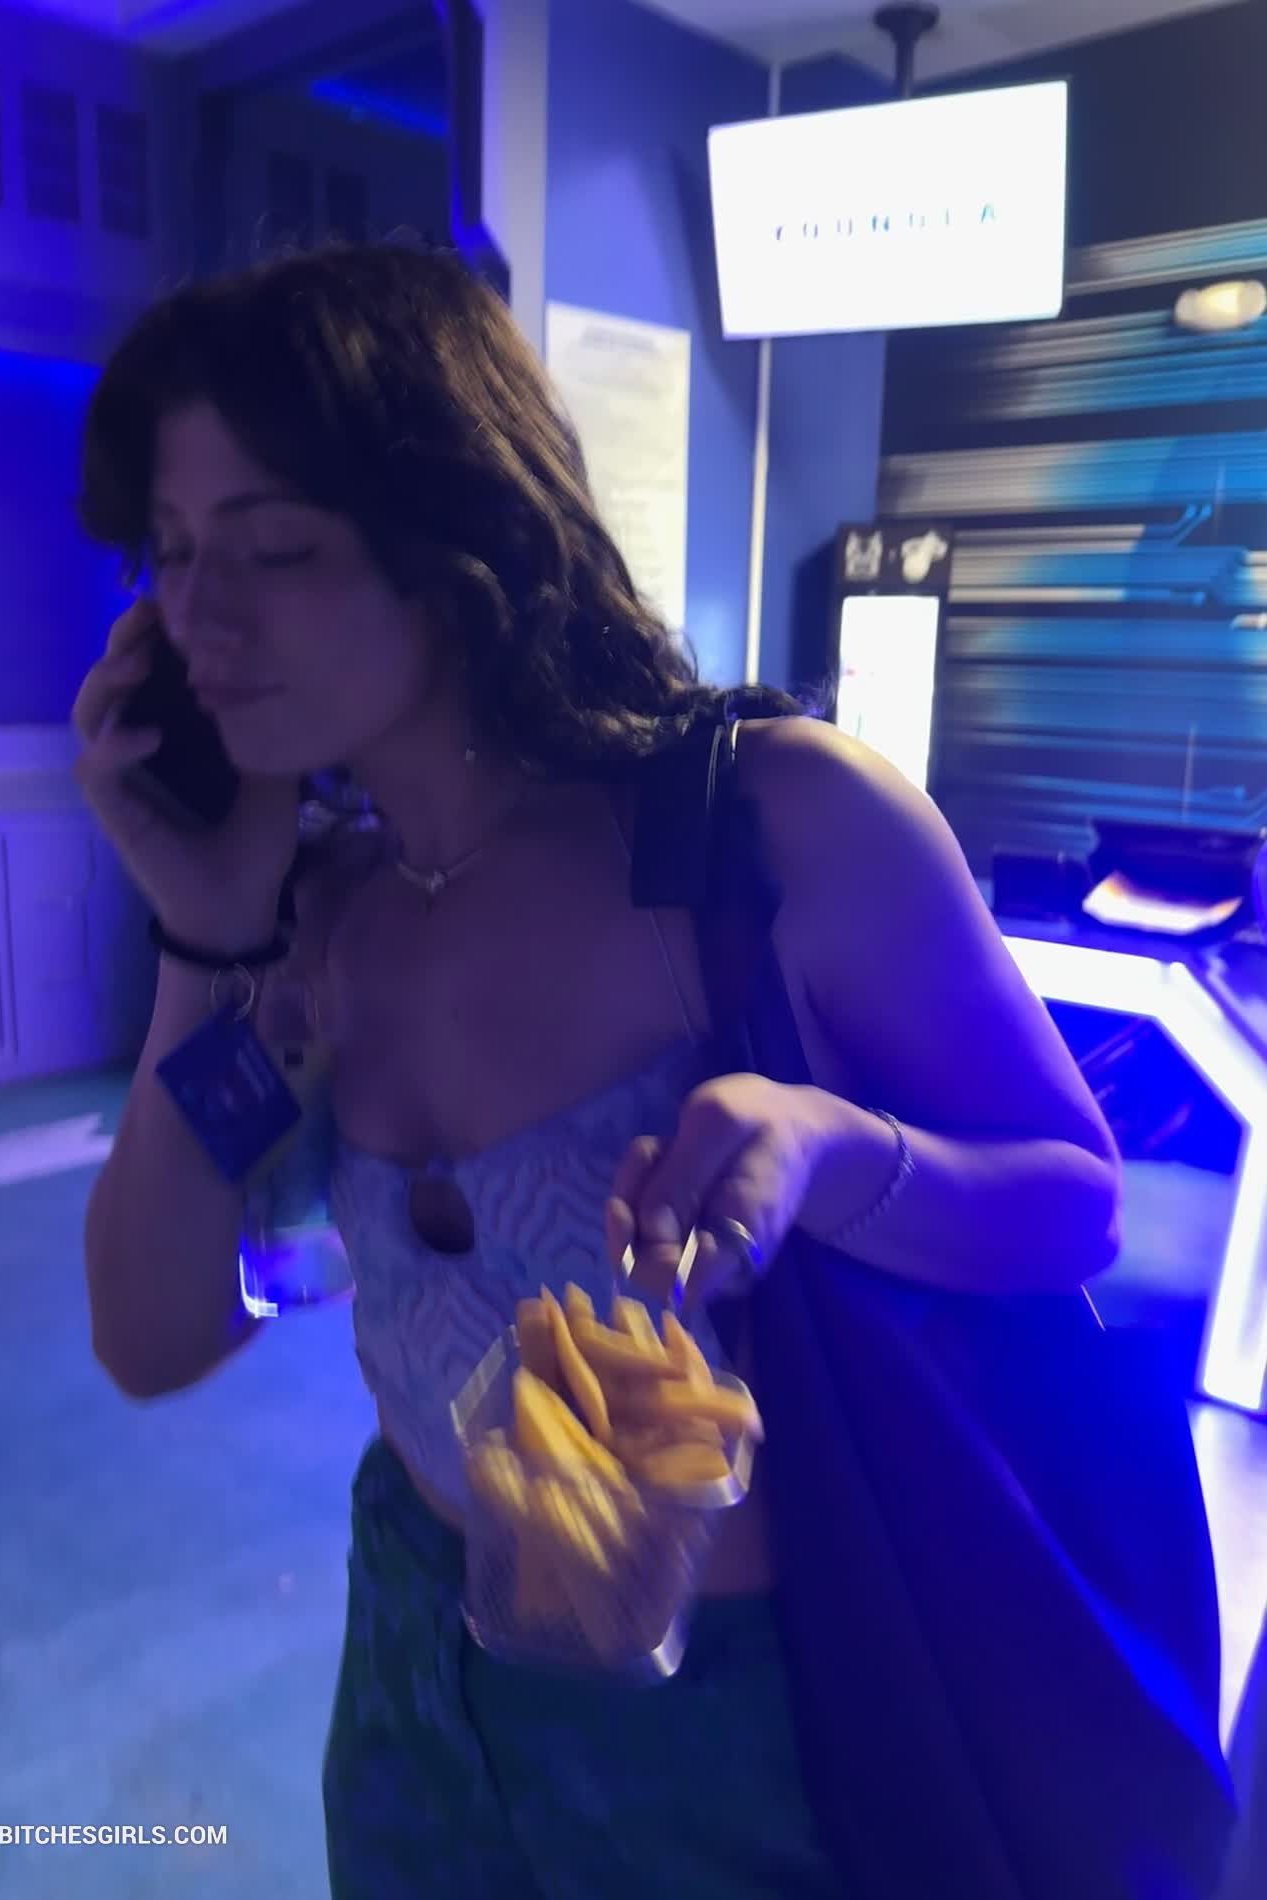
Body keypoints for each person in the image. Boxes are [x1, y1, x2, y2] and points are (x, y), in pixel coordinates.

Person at [74, 243, 1123, 1898]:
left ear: (455, 541)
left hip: (740, 1719)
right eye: (175, 549)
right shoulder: (317, 907)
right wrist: (201, 940)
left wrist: (833, 1148)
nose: (195, 617)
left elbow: (1075, 1206)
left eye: (274, 547)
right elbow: (154, 1336)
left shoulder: (776, 823)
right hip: (416, 1670)